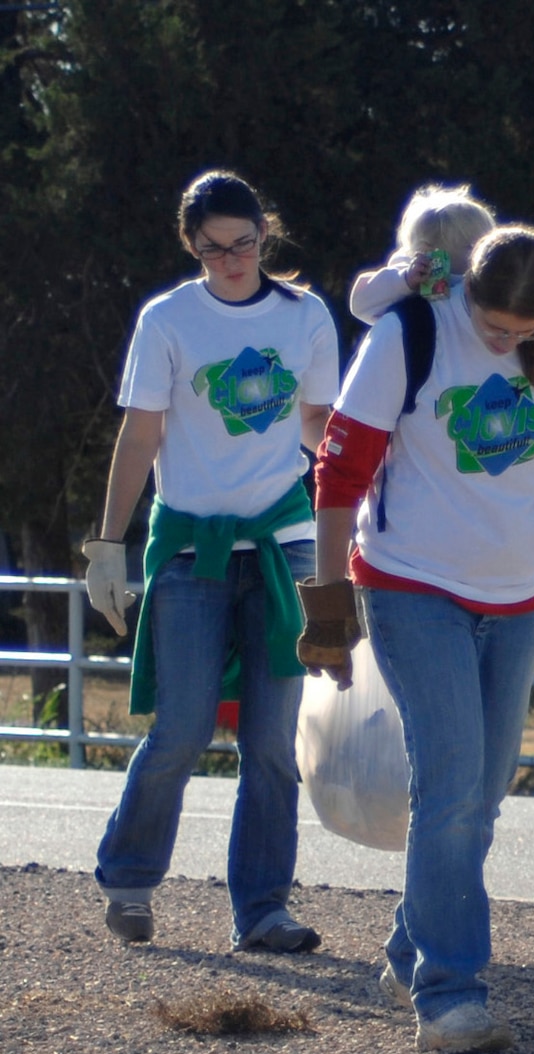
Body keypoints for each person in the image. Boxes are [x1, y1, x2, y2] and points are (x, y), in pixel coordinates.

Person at [300, 225, 534, 1054]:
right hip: (412, 586)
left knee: (483, 797)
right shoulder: (409, 332)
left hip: (519, 596)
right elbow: (340, 472)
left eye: (523, 334)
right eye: (495, 327)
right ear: (465, 290)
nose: (507, 343)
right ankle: (450, 994)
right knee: (451, 787)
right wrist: (329, 599)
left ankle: (410, 944)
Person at [83, 170, 339, 952]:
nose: (232, 259)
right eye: (215, 248)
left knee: (271, 742)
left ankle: (262, 908)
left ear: (267, 234)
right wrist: (107, 543)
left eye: (246, 244)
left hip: (282, 543)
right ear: (191, 245)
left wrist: (352, 534)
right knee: (184, 727)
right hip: (191, 547)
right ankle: (128, 878)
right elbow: (141, 435)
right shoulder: (169, 319)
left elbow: (320, 428)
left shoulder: (305, 316)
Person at [348, 183, 534, 330]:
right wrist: (405, 280)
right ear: (426, 251)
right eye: (468, 248)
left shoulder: (490, 273)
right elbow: (361, 305)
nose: (477, 257)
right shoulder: (410, 273)